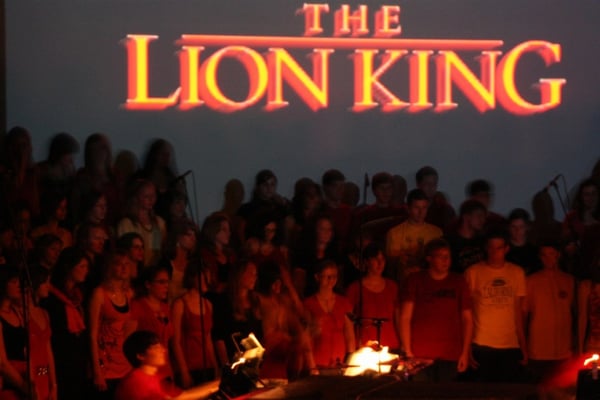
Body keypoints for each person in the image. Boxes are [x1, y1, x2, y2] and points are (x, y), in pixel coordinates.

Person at [400, 239, 472, 382]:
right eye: (441, 256)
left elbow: (467, 319)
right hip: (420, 354)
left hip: (450, 354)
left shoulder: (458, 281)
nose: (446, 261)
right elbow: (405, 317)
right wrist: (407, 351)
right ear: (429, 259)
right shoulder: (415, 280)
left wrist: (465, 352)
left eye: (448, 256)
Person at [464, 231, 528, 382]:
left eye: (499, 248)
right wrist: (466, 348)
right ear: (486, 248)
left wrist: (523, 345)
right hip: (481, 343)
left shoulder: (516, 273)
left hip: (509, 343)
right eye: (491, 247)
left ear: (506, 249)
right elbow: (467, 312)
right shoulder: (473, 272)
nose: (494, 252)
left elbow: (517, 312)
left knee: (507, 389)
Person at [0, 266, 57, 400]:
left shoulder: (18, 314)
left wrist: (52, 384)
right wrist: (25, 386)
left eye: (19, 281)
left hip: (29, 377)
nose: (19, 285)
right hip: (11, 383)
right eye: (13, 281)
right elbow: (2, 363)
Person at [43, 247, 90, 400]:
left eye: (87, 267)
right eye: (82, 266)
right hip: (60, 360)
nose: (86, 271)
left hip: (78, 359)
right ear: (69, 267)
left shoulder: (79, 295)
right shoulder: (51, 298)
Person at [88, 250, 136, 399]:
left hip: (124, 362)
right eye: (119, 264)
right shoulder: (99, 294)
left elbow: (130, 331)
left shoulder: (129, 294)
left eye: (127, 264)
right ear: (110, 267)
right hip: (105, 364)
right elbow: (92, 334)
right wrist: (97, 371)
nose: (124, 267)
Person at [115, 330, 215, 400]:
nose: (163, 350)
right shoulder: (136, 382)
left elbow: (182, 395)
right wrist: (215, 387)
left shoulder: (155, 377)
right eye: (156, 347)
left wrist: (216, 384)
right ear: (140, 355)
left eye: (161, 346)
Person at [526, 243, 574, 383]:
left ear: (558, 255)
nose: (548, 259)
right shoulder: (531, 281)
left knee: (561, 388)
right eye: (544, 255)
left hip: (564, 349)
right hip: (539, 349)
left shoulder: (569, 281)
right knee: (540, 386)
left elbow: (574, 312)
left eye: (551, 254)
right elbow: (523, 314)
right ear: (540, 257)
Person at [346, 243, 401, 351]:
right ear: (366, 262)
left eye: (383, 259)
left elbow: (398, 317)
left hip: (391, 345)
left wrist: (403, 342)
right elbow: (348, 321)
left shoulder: (392, 287)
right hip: (365, 347)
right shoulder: (355, 288)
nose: (380, 263)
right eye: (376, 259)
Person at [171, 264, 218, 387]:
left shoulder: (208, 305)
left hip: (206, 366)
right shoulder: (180, 304)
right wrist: (184, 371)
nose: (207, 281)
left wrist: (215, 366)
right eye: (203, 277)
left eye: (208, 278)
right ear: (193, 277)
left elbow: (208, 339)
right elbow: (176, 341)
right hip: (189, 366)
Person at [303, 260, 355, 369]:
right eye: (327, 277)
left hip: (339, 362)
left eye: (334, 276)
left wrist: (349, 361)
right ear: (317, 277)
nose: (331, 280)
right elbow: (306, 337)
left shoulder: (344, 303)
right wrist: (311, 365)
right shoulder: (309, 304)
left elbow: (349, 335)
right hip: (317, 361)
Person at [385, 189, 443, 284]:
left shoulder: (436, 233)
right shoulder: (394, 233)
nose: (421, 212)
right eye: (416, 207)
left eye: (424, 208)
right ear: (408, 208)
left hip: (430, 283)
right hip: (404, 283)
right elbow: (390, 266)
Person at [212, 260, 263, 366]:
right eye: (251, 273)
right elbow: (219, 337)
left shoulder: (255, 301)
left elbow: (259, 332)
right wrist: (226, 366)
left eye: (256, 274)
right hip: (233, 361)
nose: (254, 277)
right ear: (240, 274)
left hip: (252, 363)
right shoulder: (224, 301)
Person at [130, 265, 175, 384]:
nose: (166, 286)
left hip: (165, 368)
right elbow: (128, 341)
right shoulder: (138, 306)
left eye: (167, 282)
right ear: (148, 284)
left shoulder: (166, 308)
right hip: (147, 369)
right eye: (161, 282)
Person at [117, 179, 167, 268]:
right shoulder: (127, 224)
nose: (151, 200)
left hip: (152, 270)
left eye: (153, 196)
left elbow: (157, 250)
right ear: (136, 197)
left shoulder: (158, 223)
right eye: (146, 196)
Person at [444, 199, 486, 274]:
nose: (482, 220)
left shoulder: (483, 241)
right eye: (479, 216)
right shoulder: (449, 242)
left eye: (483, 217)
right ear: (466, 216)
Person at [415, 166, 456, 232]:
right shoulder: (411, 208)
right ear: (418, 185)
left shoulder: (445, 209)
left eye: (434, 184)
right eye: (427, 184)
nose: (431, 187)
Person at [506, 208, 541, 275]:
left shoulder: (534, 252)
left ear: (527, 227)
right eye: (513, 227)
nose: (517, 230)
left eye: (521, 227)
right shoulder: (502, 250)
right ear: (508, 228)